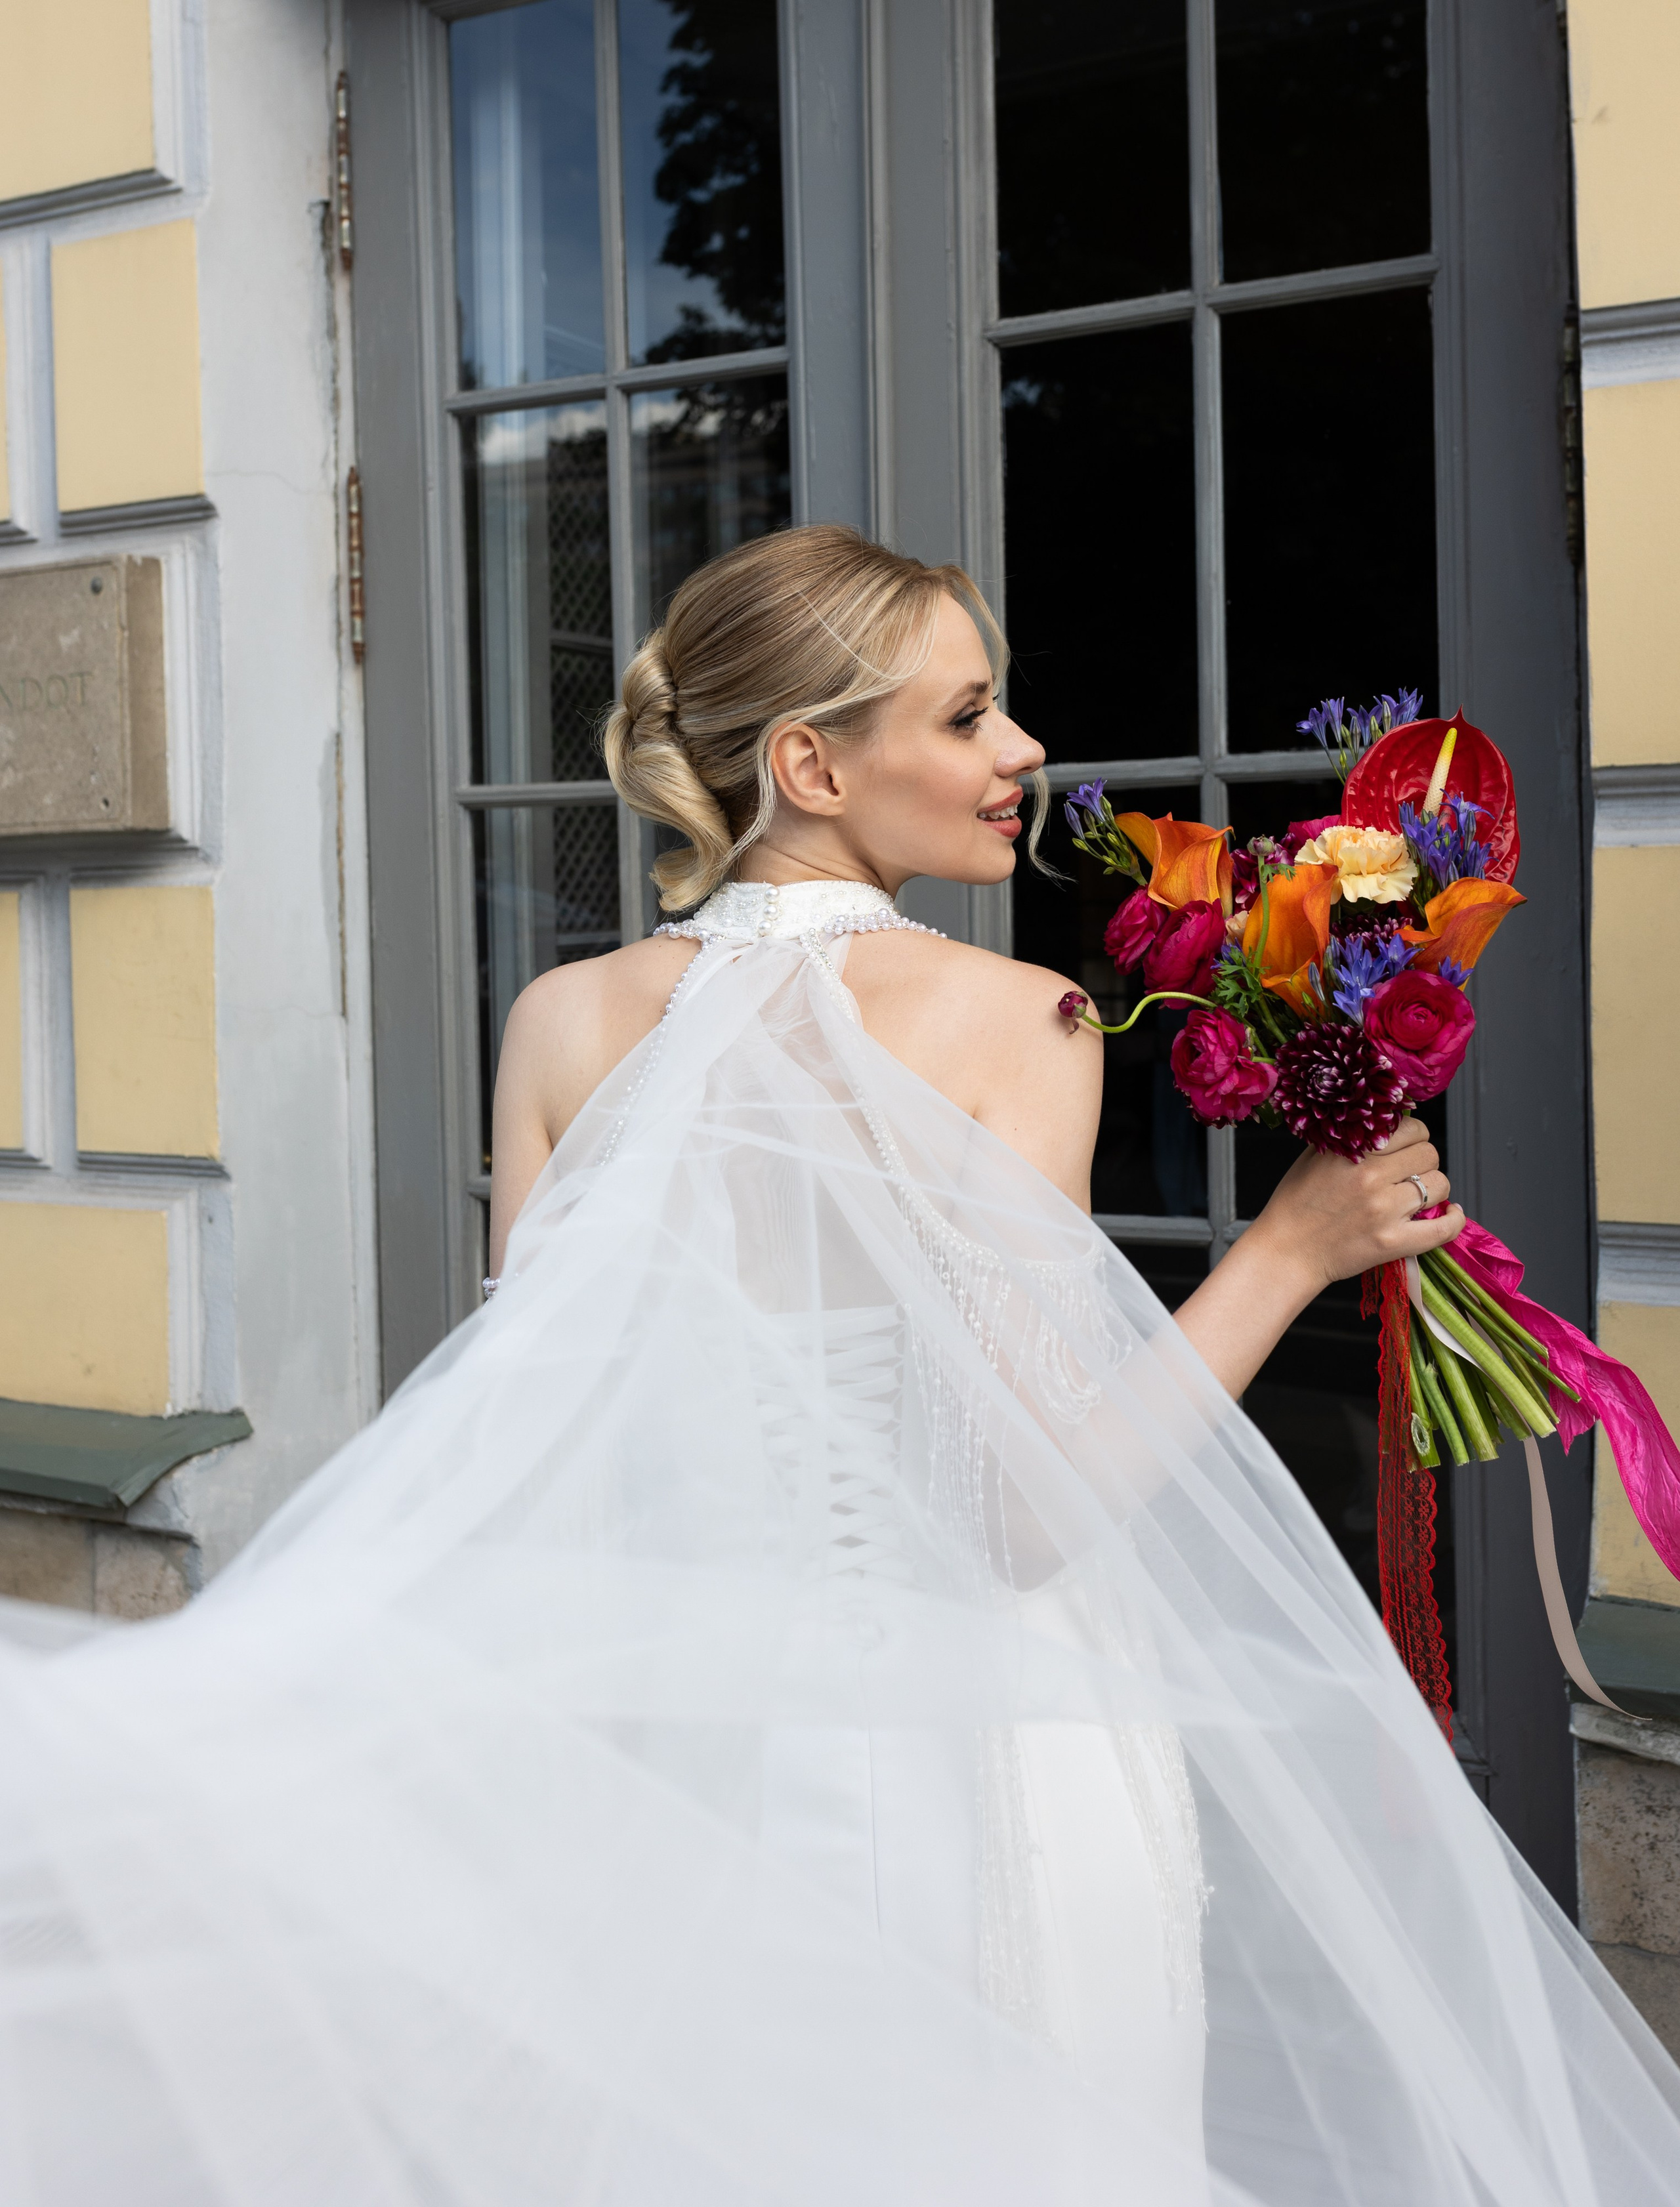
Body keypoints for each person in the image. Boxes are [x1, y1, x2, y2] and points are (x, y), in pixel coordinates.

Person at [2, 525, 1677, 2204]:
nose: (1021, 752)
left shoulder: (562, 1020)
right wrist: (1292, 1249)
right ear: (807, 761)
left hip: (667, 1765)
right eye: (964, 716)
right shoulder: (1013, 1017)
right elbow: (1030, 1513)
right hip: (990, 1769)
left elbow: (556, 1447)